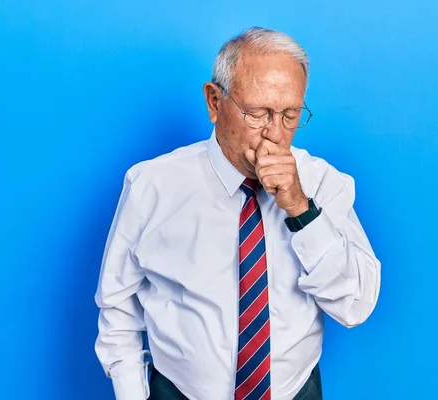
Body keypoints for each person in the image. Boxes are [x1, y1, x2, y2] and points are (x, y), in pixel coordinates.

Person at [94, 26, 381, 400]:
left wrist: (300, 208)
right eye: (258, 114)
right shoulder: (152, 184)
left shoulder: (323, 182)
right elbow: (118, 305)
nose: (275, 135)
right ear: (215, 103)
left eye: (290, 115)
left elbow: (355, 306)